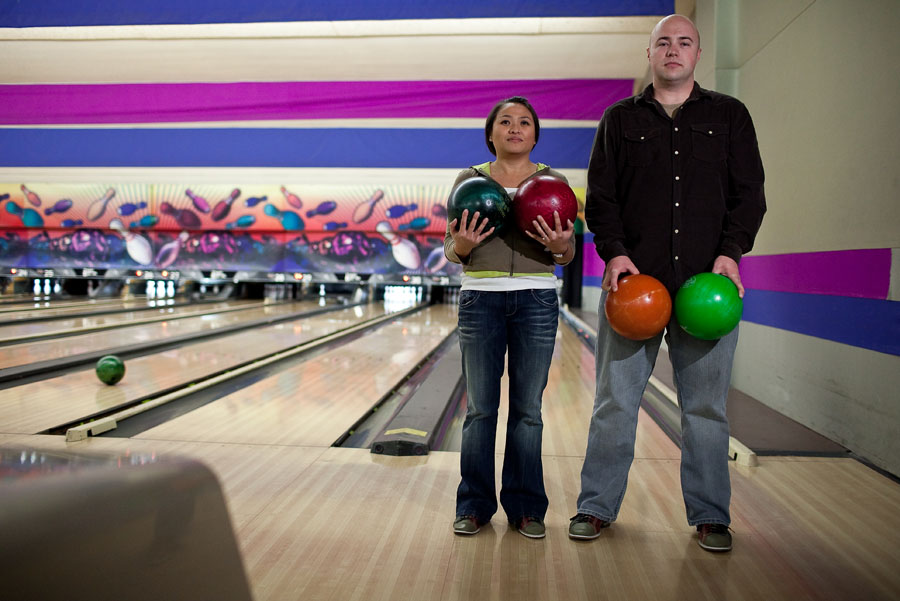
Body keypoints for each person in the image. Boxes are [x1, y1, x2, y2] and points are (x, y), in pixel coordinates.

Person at [570, 15, 766, 552]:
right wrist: (615, 254)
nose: (673, 49)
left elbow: (749, 194)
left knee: (705, 407)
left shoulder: (730, 116)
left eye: (684, 42)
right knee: (615, 400)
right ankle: (595, 507)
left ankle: (710, 516)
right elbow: (602, 198)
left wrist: (731, 254)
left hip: (708, 285)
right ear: (649, 52)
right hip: (637, 285)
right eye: (663, 42)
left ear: (699, 53)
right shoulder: (618, 119)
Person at [445, 96, 576, 539]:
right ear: (491, 133)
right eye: (505, 121)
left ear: (535, 134)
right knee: (480, 410)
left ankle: (526, 508)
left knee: (528, 411)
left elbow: (568, 253)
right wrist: (462, 246)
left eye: (524, 122)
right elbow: (452, 249)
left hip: (536, 298)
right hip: (481, 297)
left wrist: (561, 244)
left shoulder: (554, 182)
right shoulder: (470, 180)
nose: (515, 128)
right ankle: (474, 505)